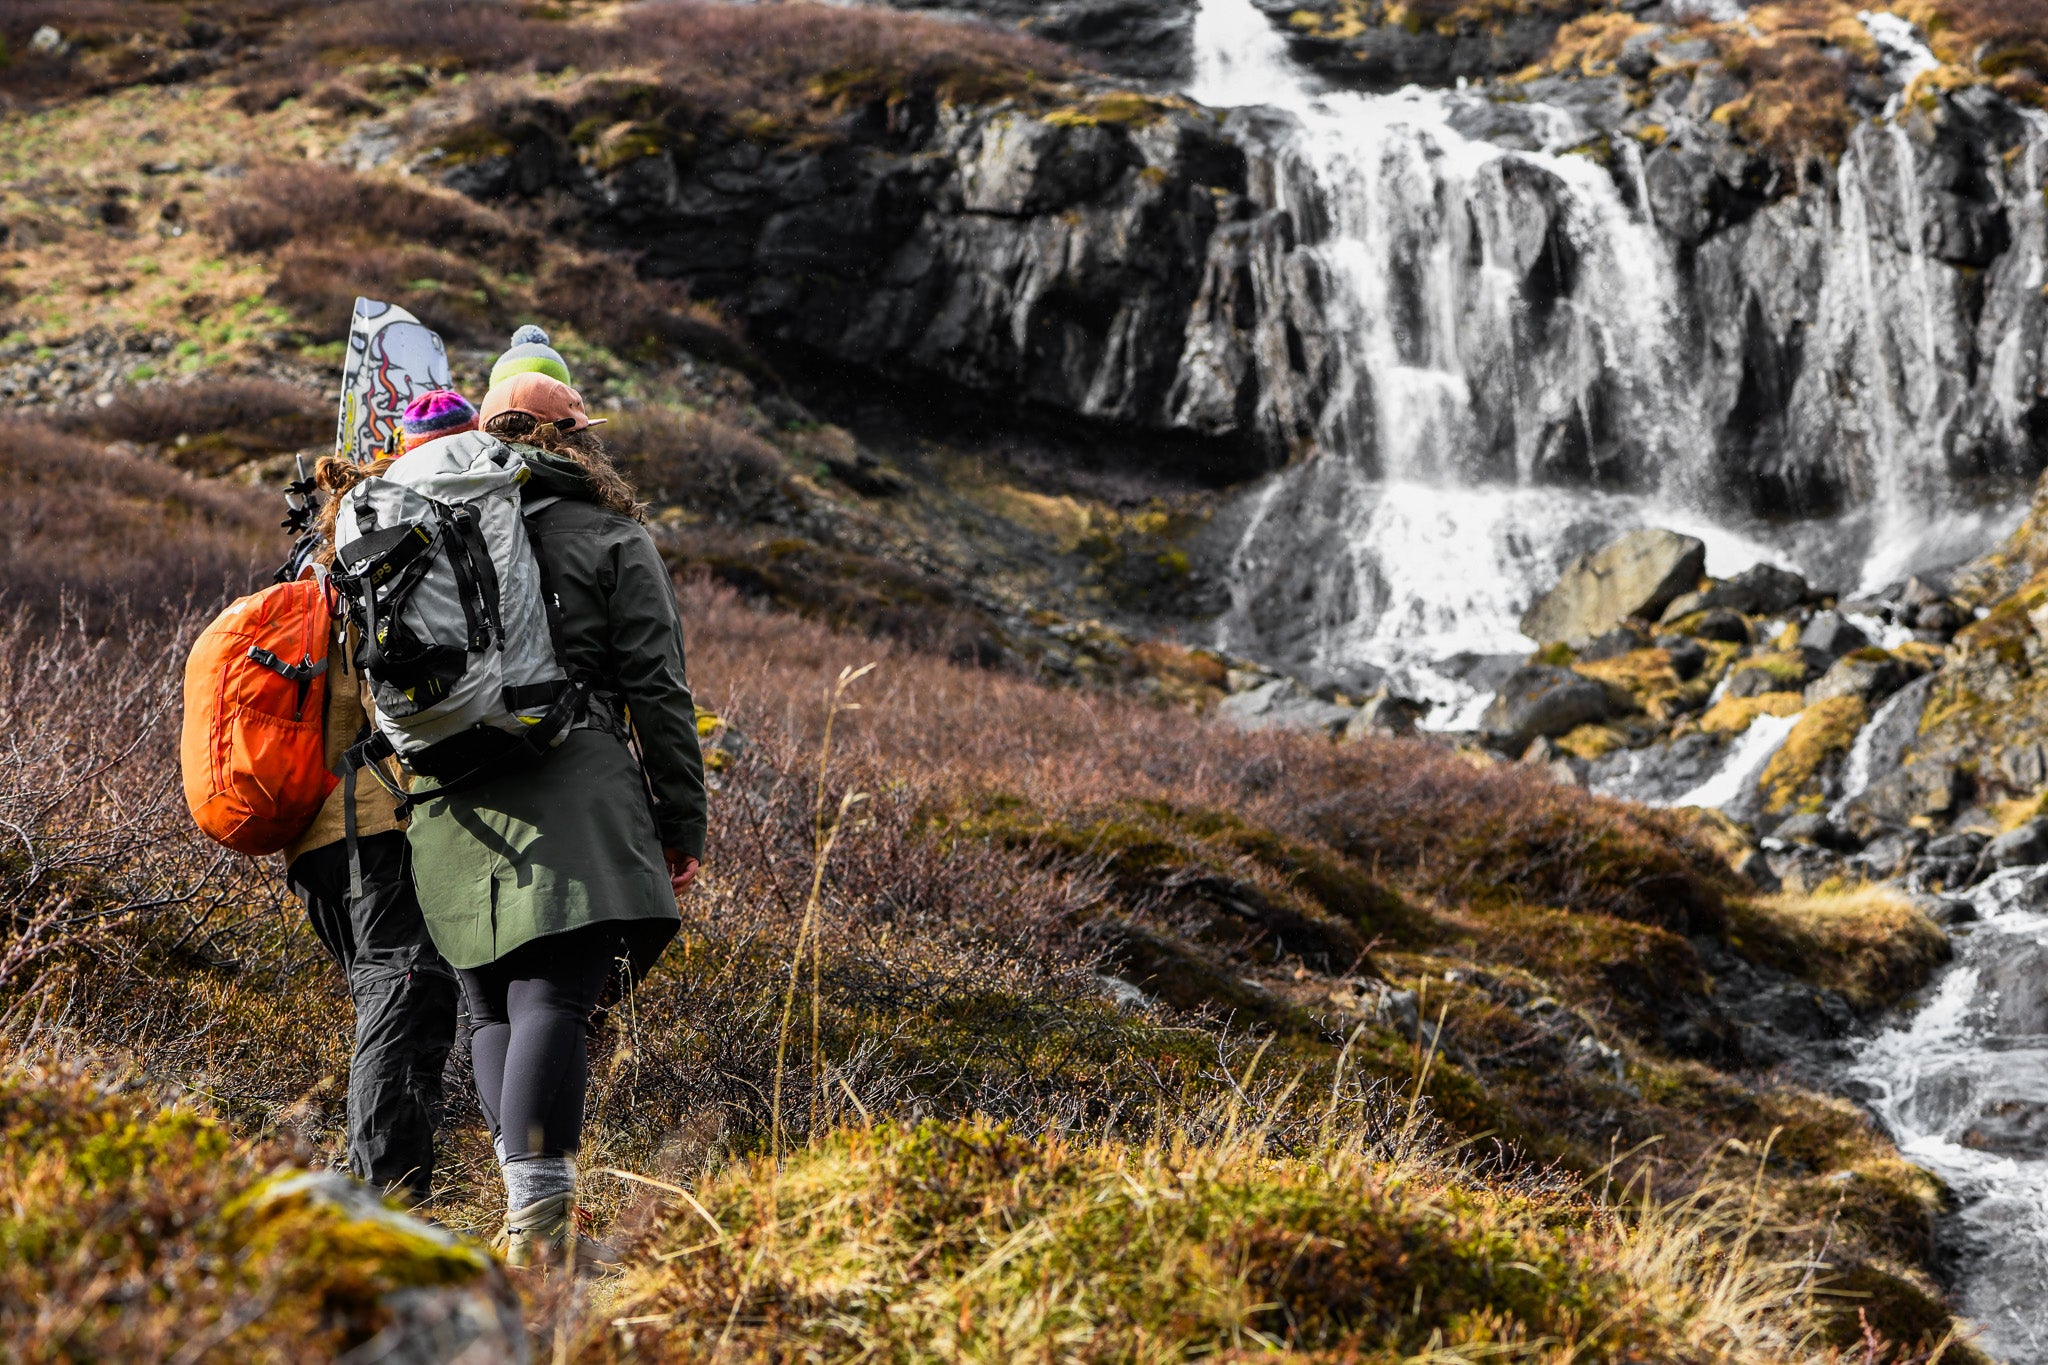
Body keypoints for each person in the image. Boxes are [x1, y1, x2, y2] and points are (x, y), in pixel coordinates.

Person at [404, 367, 708, 1268]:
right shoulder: (610, 533)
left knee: (493, 1006)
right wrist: (681, 821)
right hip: (573, 794)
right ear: (574, 437)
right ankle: (540, 1239)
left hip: (450, 802)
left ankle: (523, 1219)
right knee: (559, 997)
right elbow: (659, 689)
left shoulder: (436, 523)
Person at [285, 447, 462, 1206]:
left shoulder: (310, 571)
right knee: (404, 981)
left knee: (406, 995)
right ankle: (383, 1196)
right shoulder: (374, 571)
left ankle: (404, 1192)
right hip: (372, 822)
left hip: (314, 832)